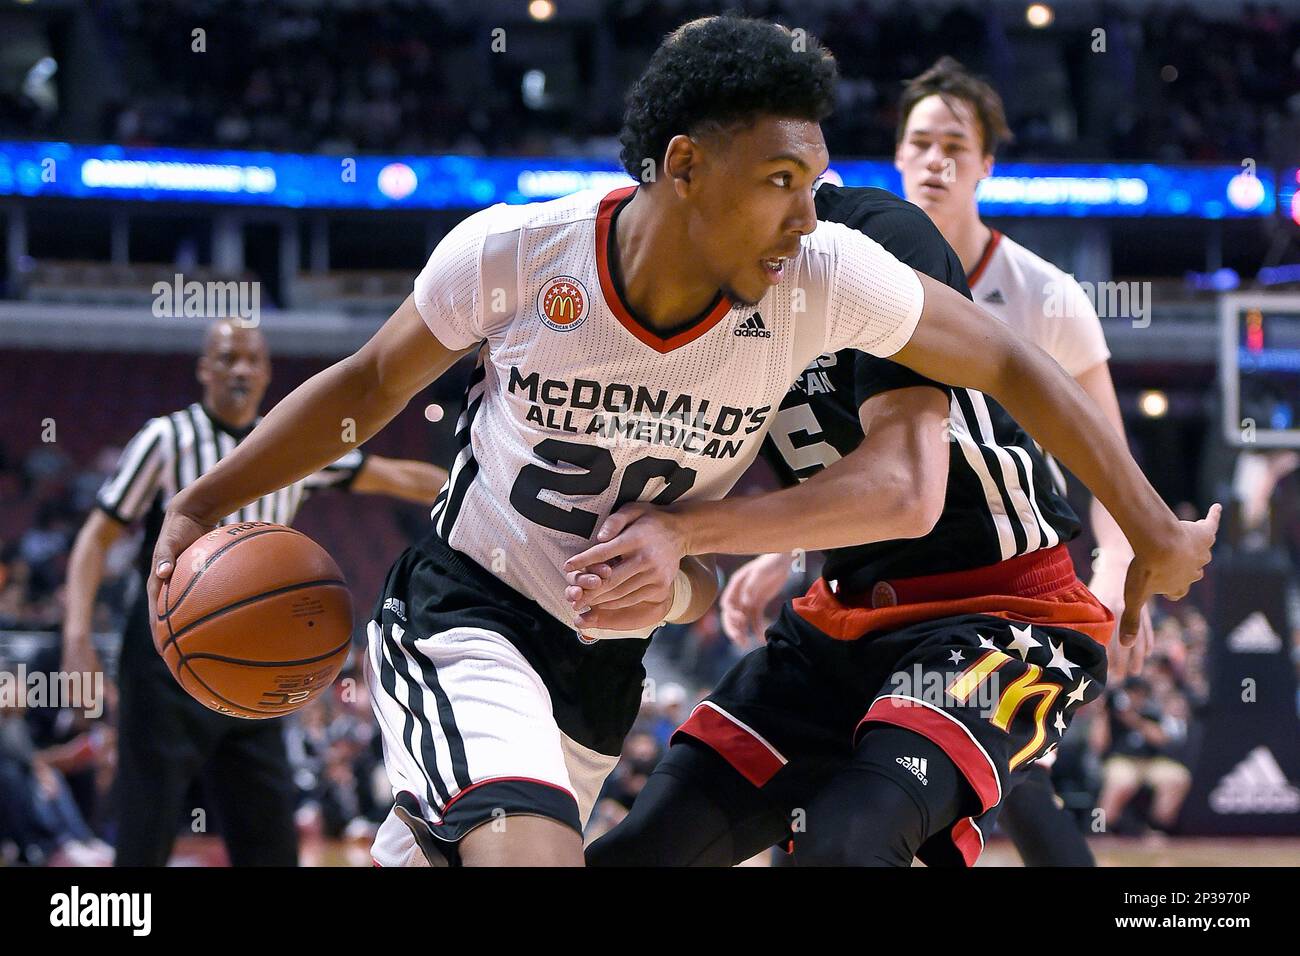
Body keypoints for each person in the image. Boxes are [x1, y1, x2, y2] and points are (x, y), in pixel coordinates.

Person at [150, 16, 1215, 868]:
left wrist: (1152, 526)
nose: (806, 212)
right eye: (780, 181)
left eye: (814, 176)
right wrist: (202, 505)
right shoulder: (524, 252)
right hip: (500, 606)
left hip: (989, 613)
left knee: (844, 838)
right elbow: (366, 386)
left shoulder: (841, 261)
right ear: (684, 166)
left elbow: (944, 440)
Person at [61, 318, 445, 866]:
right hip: (167, 660)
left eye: (252, 359)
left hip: (259, 662)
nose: (240, 369)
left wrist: (474, 483)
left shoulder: (292, 447)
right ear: (203, 369)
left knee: (268, 842)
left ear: (267, 372)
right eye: (226, 358)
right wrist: (77, 636)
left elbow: (394, 476)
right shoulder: (166, 440)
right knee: (144, 833)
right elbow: (95, 539)